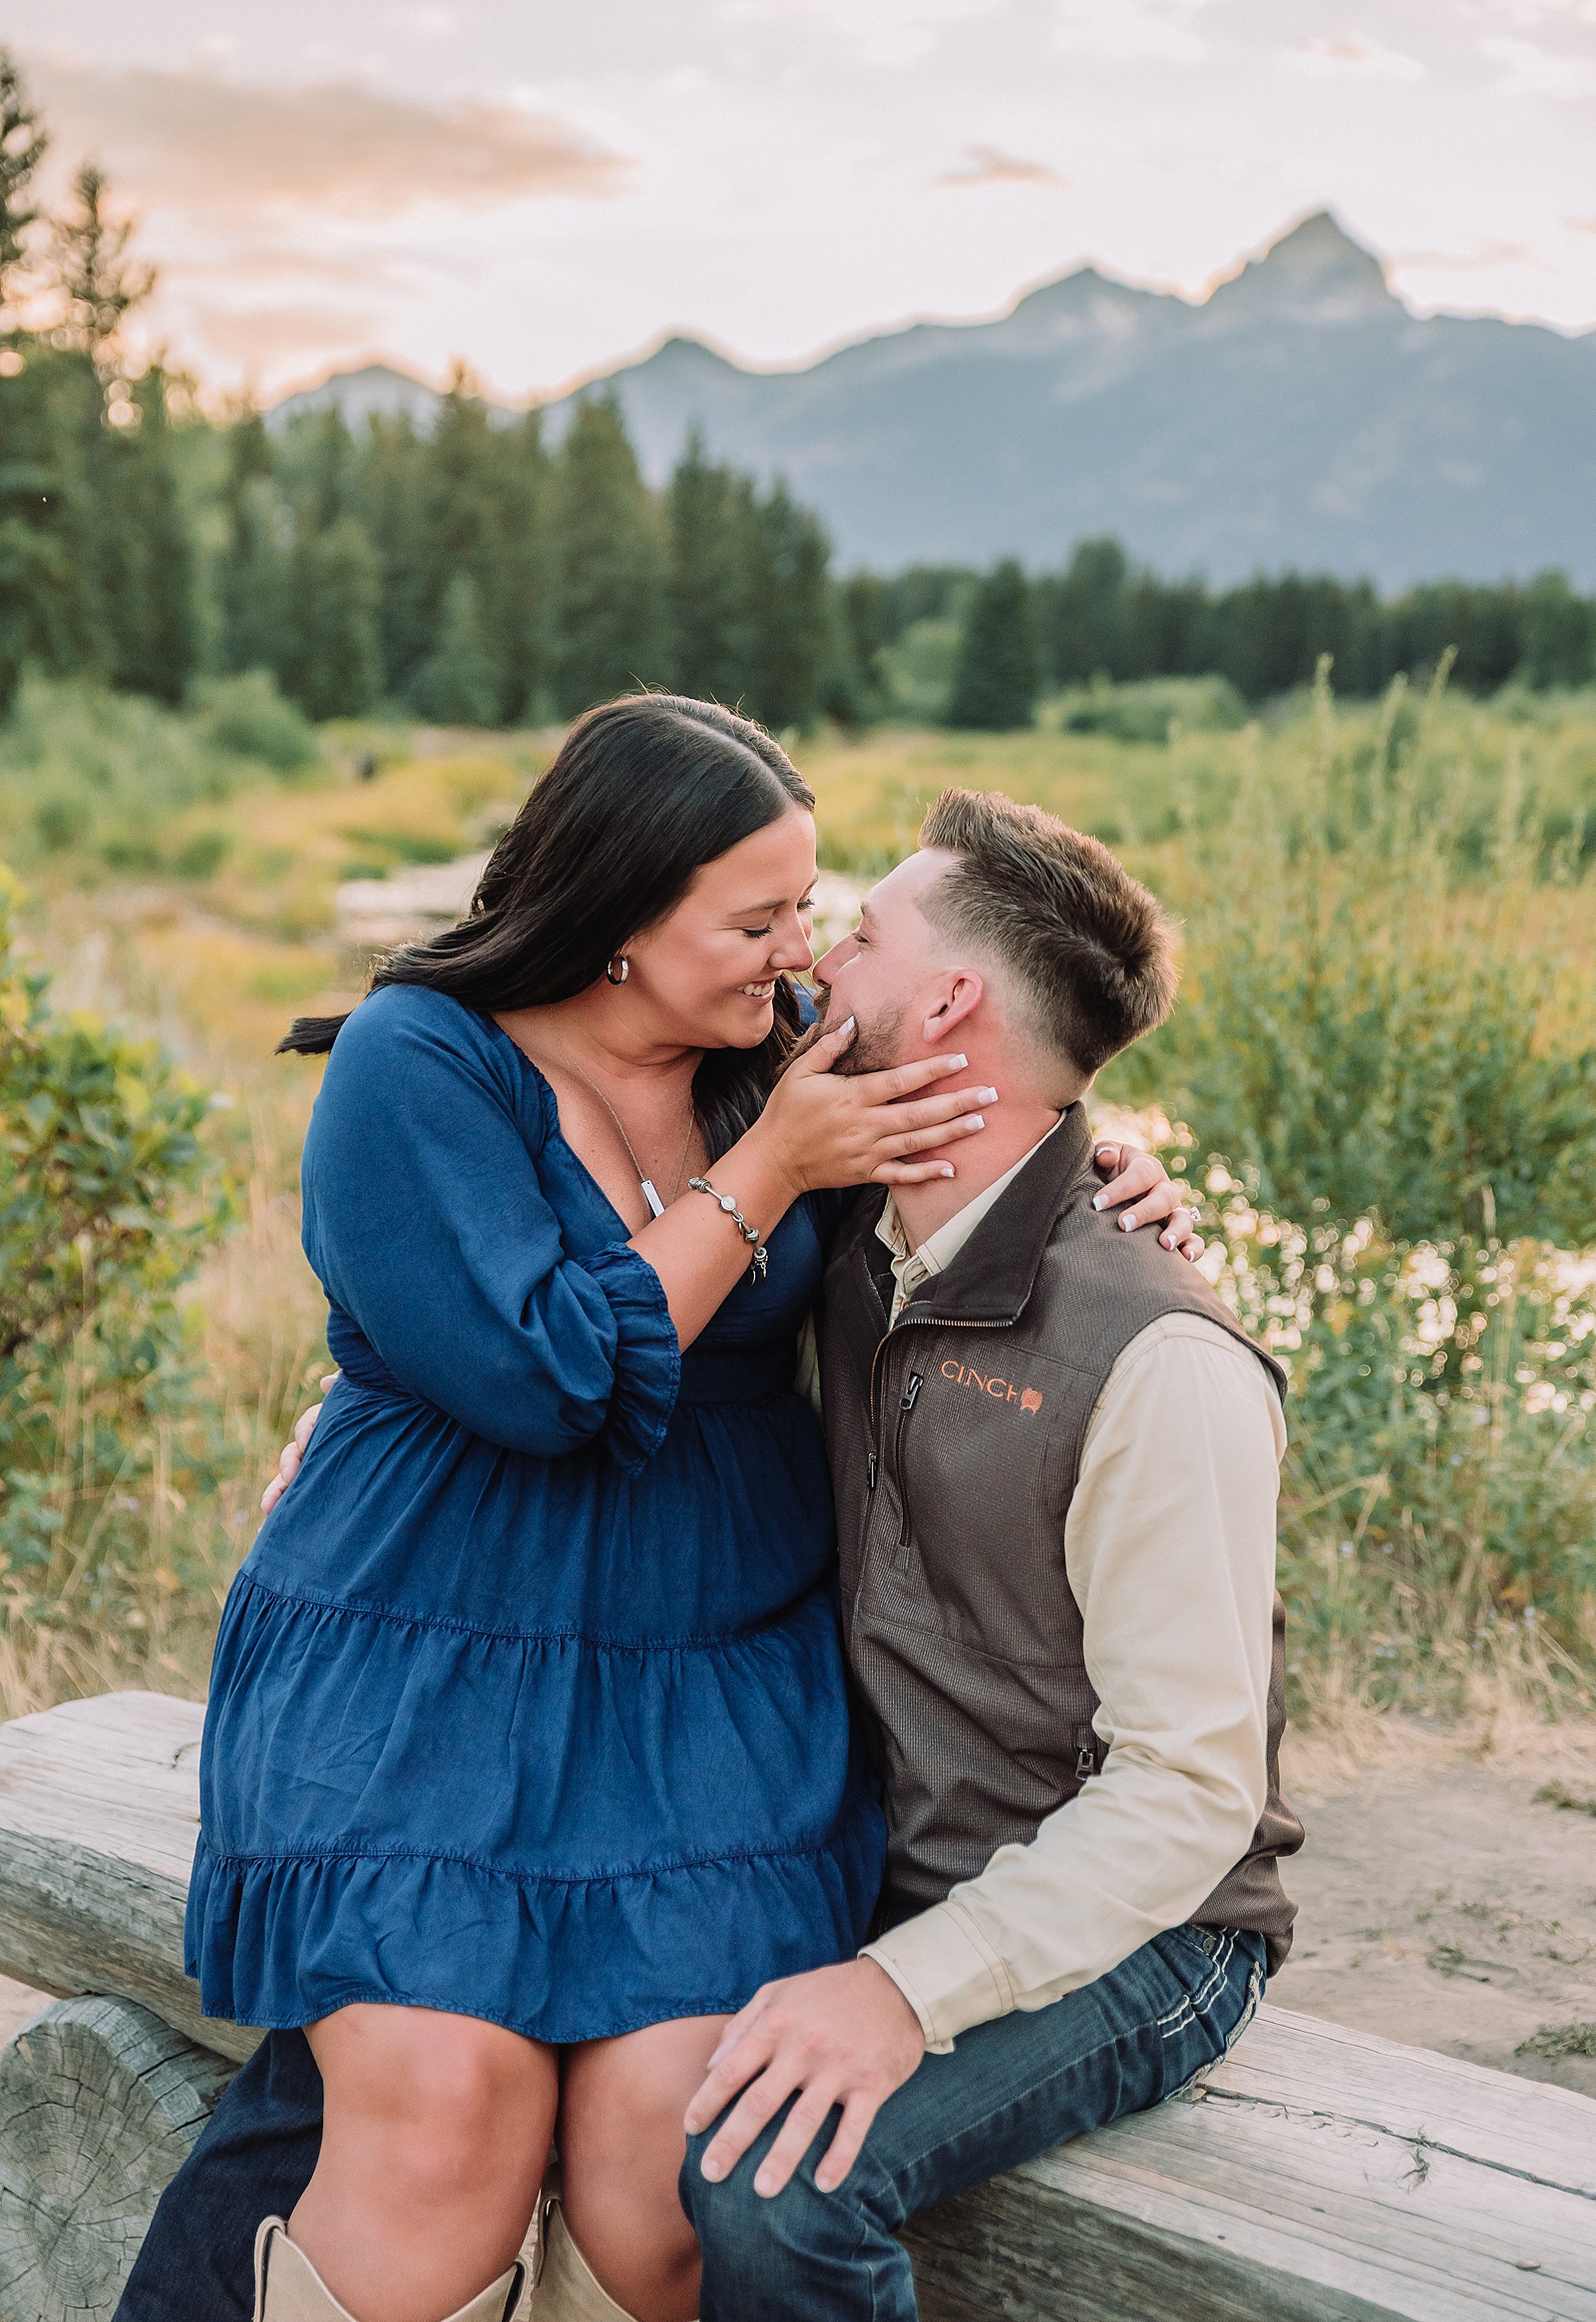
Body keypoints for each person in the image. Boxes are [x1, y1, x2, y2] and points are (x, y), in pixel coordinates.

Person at [117, 702, 1196, 2322]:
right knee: (444, 2124)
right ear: (622, 914)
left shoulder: (786, 1061)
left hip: (712, 1677)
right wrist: (766, 1170)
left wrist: (1113, 1187)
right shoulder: (422, 1060)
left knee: (668, 2164)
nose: (803, 951)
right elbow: (544, 1375)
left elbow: (992, 1140)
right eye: (757, 920)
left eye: (813, 908)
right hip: (430, 1654)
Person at [676, 787, 1304, 2321]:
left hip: (1151, 1931)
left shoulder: (1161, 1361)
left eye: (865, 931)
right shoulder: (846, 1236)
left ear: (950, 999)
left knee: (773, 2178)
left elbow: (1186, 1799)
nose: (821, 952)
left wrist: (904, 1987)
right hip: (875, 1868)